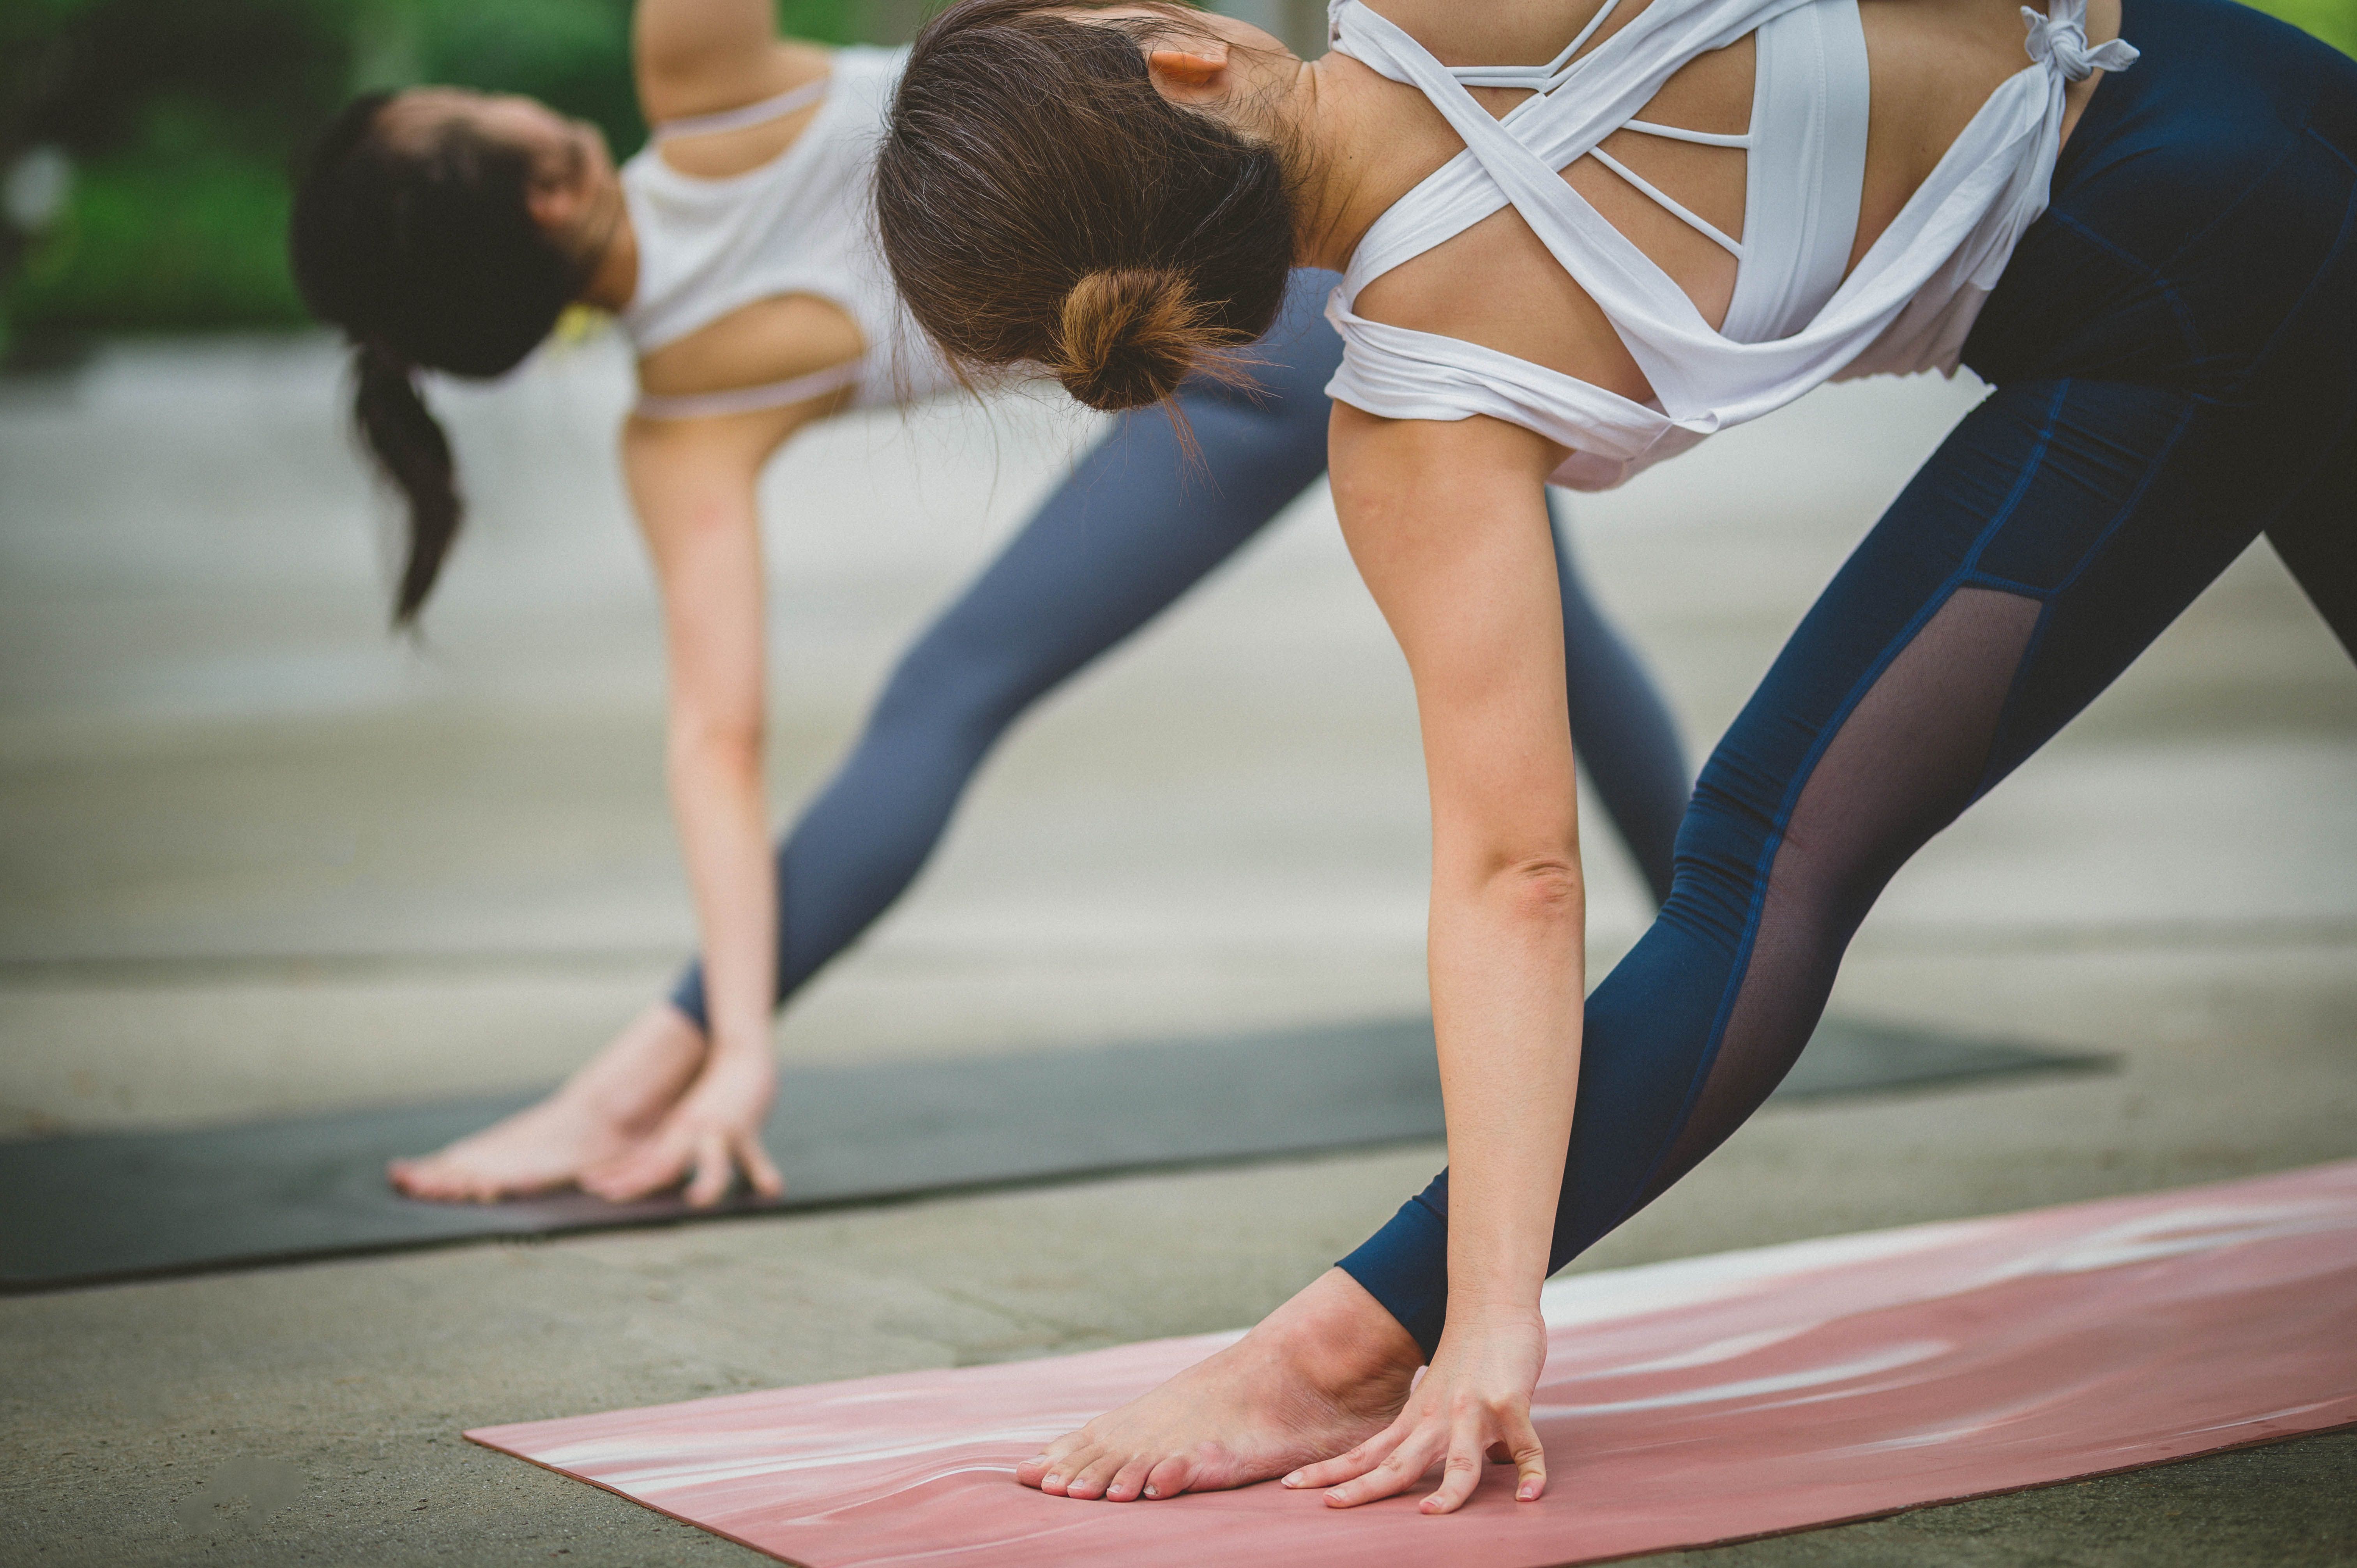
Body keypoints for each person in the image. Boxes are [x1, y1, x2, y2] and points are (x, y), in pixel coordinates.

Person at [872, 0, 2357, 1516]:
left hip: (2177, 295)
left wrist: (1492, 1312)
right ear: (1182, 52)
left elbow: (1513, 879)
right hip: (2246, 124)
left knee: (1767, 865)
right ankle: (1350, 1339)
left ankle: (1339, 1345)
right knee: (1764, 851)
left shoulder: (1409, 434)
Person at [283, 0, 1691, 1208]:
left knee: (950, 697)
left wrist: (746, 1047)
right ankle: (1722, 940)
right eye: (477, 99)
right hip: (1267, 333)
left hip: (1252, 354)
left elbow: (715, 747)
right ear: (540, 175)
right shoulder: (699, 76)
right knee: (1541, 633)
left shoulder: (682, 426)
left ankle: (639, 1077)